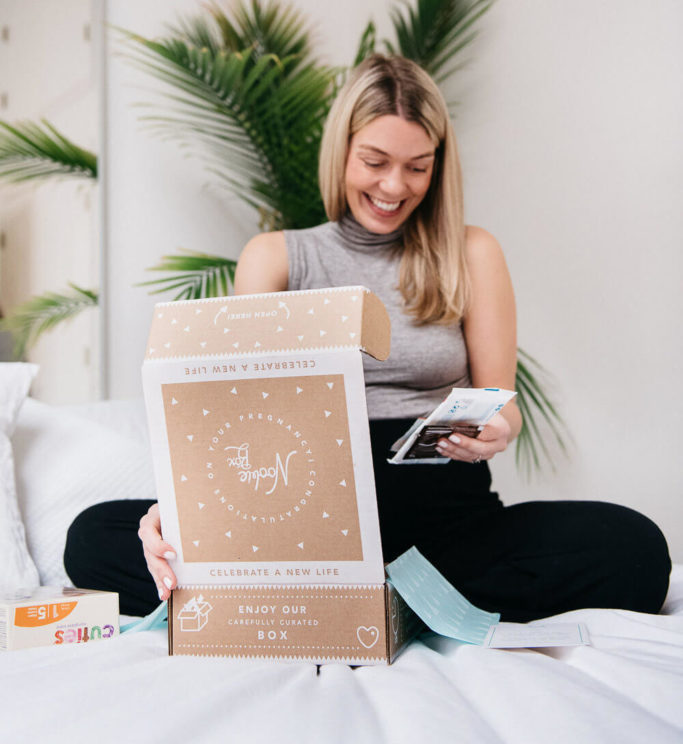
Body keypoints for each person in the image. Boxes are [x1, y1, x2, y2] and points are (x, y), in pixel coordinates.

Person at [65, 54, 671, 621]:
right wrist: (175, 513)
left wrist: (497, 429)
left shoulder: (471, 252)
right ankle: (390, 600)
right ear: (342, 152)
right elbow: (243, 422)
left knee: (635, 548)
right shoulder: (277, 257)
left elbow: (502, 402)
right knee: (92, 535)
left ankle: (351, 604)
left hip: (449, 525)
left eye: (417, 167)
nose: (394, 187)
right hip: (308, 529)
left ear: (438, 166)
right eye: (375, 162)